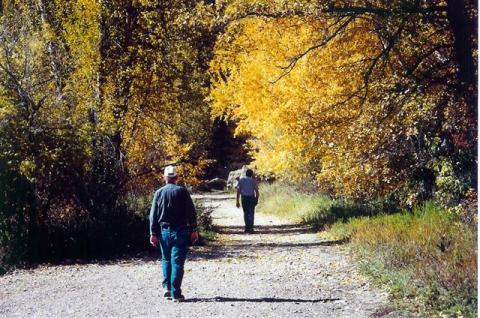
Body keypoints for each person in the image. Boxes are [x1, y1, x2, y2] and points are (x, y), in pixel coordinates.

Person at [149, 165, 199, 302]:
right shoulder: (182, 192)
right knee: (177, 261)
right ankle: (175, 293)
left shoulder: (159, 193)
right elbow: (191, 212)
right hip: (180, 231)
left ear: (164, 177)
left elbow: (153, 215)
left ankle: (167, 288)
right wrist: (194, 230)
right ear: (176, 177)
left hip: (163, 231)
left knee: (166, 259)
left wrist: (152, 233)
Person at [236, 168, 260, 233]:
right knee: (251, 213)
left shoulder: (241, 180)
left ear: (246, 174)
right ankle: (251, 228)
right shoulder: (253, 181)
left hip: (244, 198)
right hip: (251, 198)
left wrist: (237, 201)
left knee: (246, 213)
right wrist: (256, 199)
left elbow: (238, 191)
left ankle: (247, 228)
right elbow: (257, 192)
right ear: (252, 174)